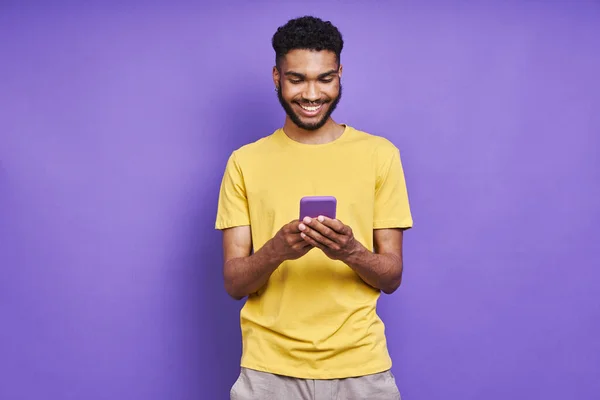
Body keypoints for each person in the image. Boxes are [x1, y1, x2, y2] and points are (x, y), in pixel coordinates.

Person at [215, 15, 413, 400]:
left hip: (360, 368)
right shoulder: (244, 162)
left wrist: (350, 251)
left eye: (324, 78)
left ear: (340, 74)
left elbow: (391, 276)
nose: (311, 94)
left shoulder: (380, 155)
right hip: (267, 371)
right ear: (276, 77)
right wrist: (277, 250)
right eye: (296, 79)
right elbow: (234, 283)